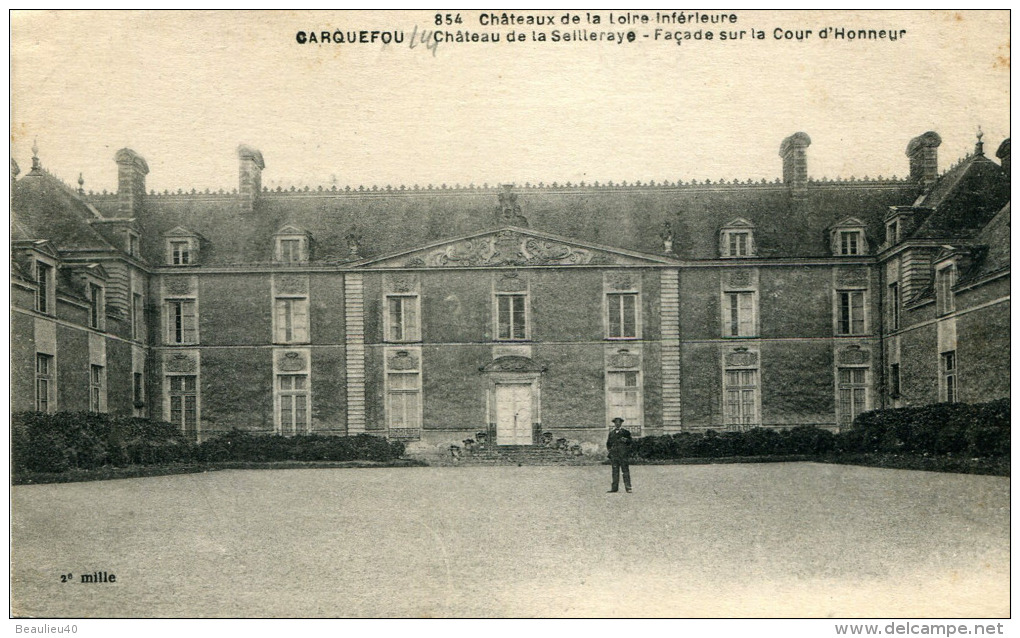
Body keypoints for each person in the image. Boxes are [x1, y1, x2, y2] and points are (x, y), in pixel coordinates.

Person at [606, 417, 633, 493]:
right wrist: (611, 452)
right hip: (614, 456)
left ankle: (628, 487)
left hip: (623, 455)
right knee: (615, 472)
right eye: (616, 422)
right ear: (614, 424)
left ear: (621, 423)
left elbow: (631, 443)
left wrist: (626, 441)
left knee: (625, 471)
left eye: (619, 422)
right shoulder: (611, 433)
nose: (617, 424)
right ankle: (614, 488)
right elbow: (608, 444)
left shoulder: (626, 432)